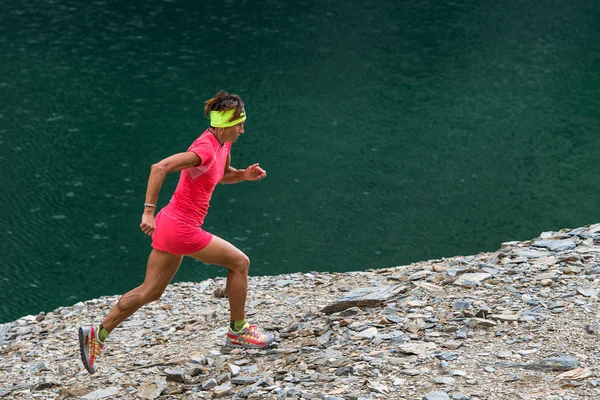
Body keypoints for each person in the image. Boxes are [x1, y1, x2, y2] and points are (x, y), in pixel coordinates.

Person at [78, 90, 274, 374]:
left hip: (172, 225)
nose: (243, 130)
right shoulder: (205, 148)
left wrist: (243, 175)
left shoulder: (222, 145)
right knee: (240, 262)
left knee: (150, 291)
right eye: (239, 124)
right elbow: (160, 167)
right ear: (222, 124)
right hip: (181, 228)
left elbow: (221, 174)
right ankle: (239, 331)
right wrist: (147, 211)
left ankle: (97, 334)